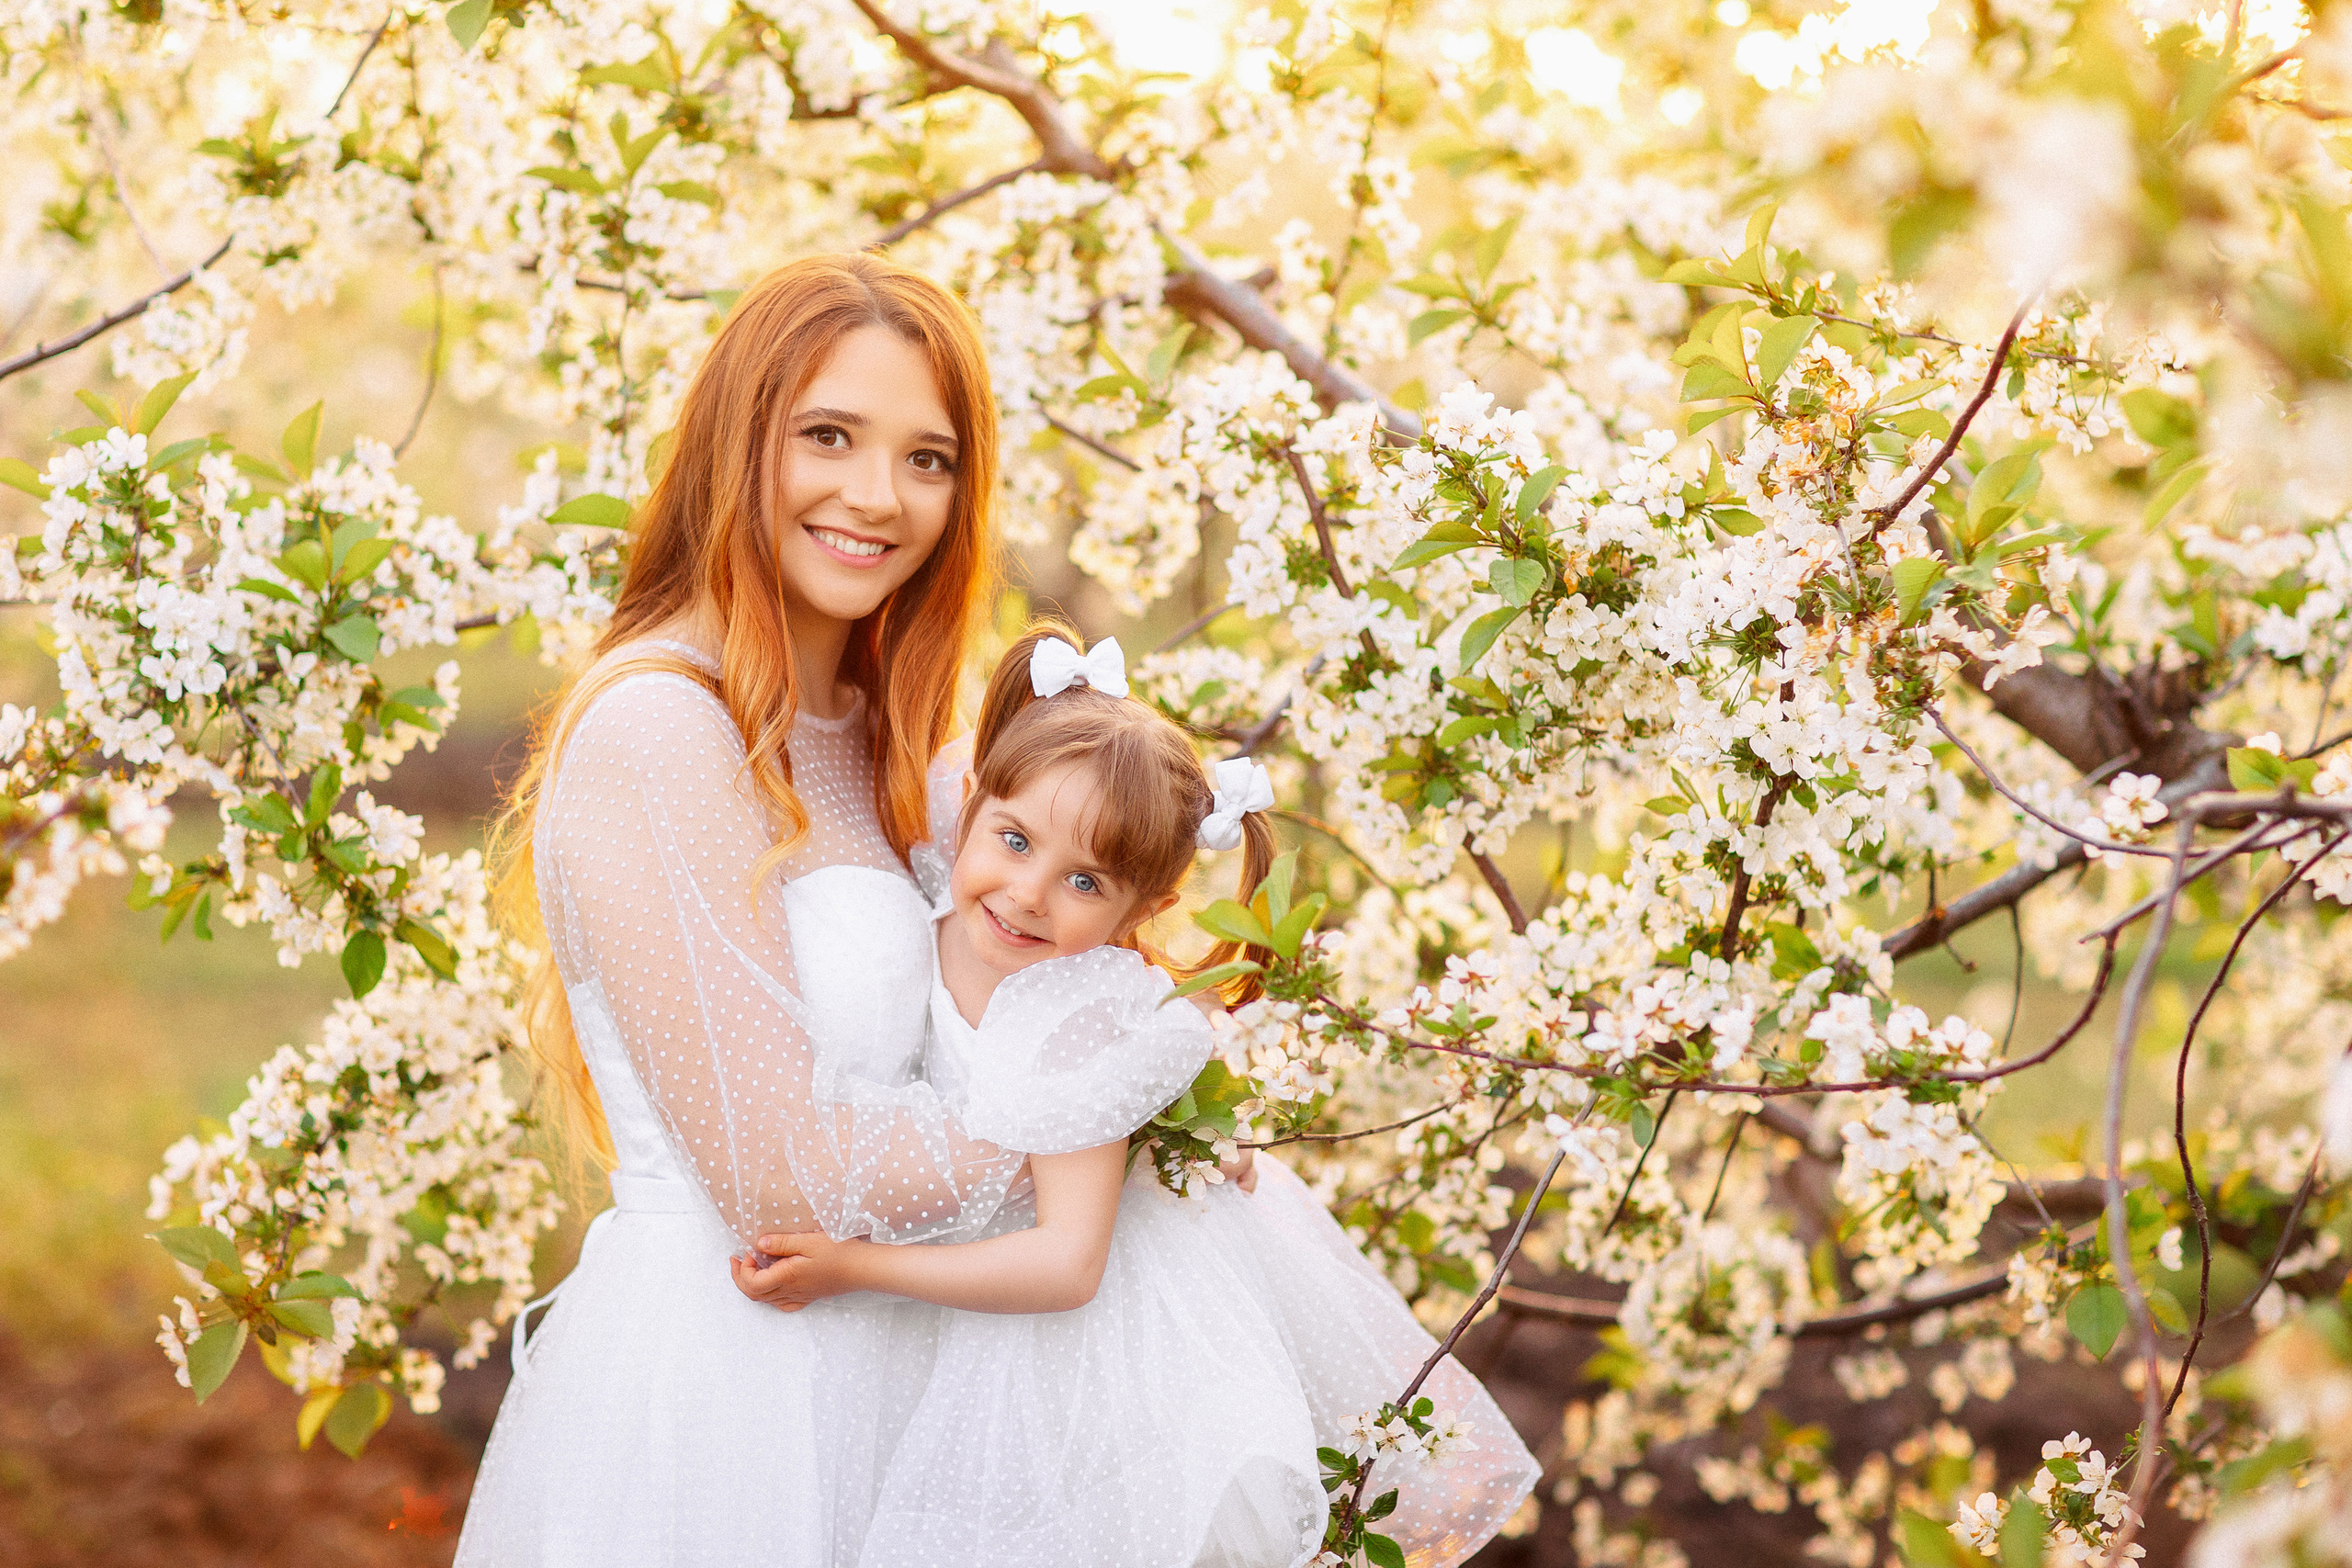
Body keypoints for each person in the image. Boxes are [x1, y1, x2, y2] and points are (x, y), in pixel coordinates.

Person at [732, 625, 1541, 1568]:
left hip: (1088, 1354)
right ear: (973, 801)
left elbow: (1066, 1265)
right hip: (965, 1289)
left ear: (1141, 911)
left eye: (1084, 880)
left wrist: (856, 1266)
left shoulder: (1072, 1016)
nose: (1028, 892)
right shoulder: (943, 873)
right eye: (1015, 839)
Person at [456, 253, 1025, 1567]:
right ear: (736, 441)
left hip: (921, 1359)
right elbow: (783, 1177)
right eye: (828, 436)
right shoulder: (658, 729)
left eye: (928, 458)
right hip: (736, 1399)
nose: (877, 497)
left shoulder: (900, 737)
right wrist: (1095, 1125)